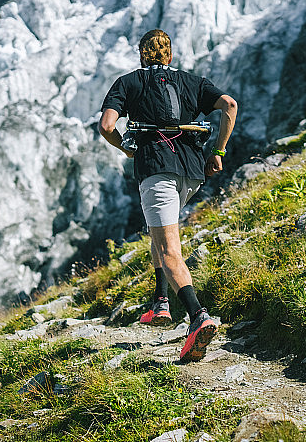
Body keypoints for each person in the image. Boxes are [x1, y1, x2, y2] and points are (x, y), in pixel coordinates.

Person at [99, 29, 237, 362]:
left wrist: (127, 148)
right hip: (191, 175)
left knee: (167, 246)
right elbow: (229, 105)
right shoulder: (193, 81)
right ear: (170, 56)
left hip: (157, 171)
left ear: (141, 55)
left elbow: (106, 126)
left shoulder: (129, 82)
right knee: (159, 232)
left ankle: (197, 316)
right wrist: (217, 150)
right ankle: (160, 302)